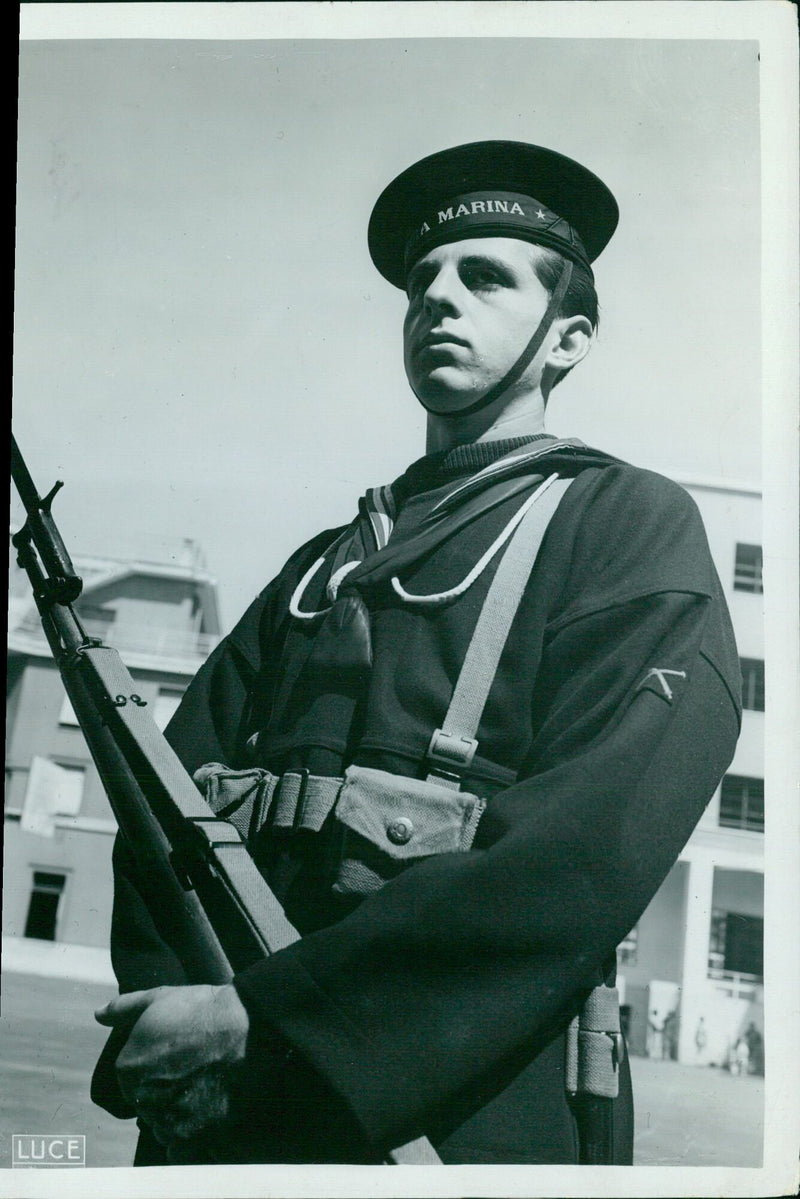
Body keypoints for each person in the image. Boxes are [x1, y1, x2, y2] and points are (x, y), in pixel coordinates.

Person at [91, 140, 742, 1165]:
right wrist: (180, 1007)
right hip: (225, 1100)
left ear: (567, 337)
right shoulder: (321, 565)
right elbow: (164, 804)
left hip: (457, 1104)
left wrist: (272, 1016)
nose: (436, 298)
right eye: (420, 284)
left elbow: (584, 847)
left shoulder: (622, 525)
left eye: (483, 277)